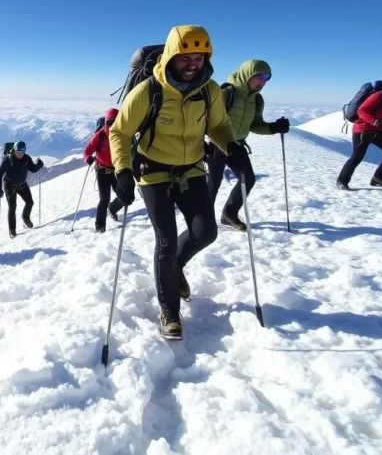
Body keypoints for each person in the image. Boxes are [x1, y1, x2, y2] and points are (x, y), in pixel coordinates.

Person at [109, 25, 244, 340]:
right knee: (166, 242)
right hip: (153, 172)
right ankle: (169, 310)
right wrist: (123, 171)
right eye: (186, 58)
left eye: (199, 57)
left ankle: (174, 270)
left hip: (192, 170)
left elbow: (219, 125)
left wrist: (231, 145)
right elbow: (120, 132)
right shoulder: (149, 91)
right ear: (171, 56)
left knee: (206, 232)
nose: (193, 64)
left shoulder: (209, 90)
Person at [206, 60, 290, 230]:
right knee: (213, 183)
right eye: (260, 76)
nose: (264, 82)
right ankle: (204, 221)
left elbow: (255, 124)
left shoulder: (257, 99)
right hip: (216, 145)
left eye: (267, 78)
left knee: (248, 179)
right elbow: (207, 121)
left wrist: (274, 127)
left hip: (238, 146)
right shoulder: (226, 93)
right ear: (247, 75)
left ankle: (228, 214)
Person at [83, 108, 125, 233]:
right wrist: (88, 158)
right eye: (109, 123)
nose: (112, 126)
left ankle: (112, 209)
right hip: (102, 171)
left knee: (124, 196)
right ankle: (100, 226)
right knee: (104, 199)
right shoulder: (99, 135)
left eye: (115, 122)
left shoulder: (122, 135)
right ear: (105, 122)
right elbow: (87, 152)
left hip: (117, 170)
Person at [0, 140, 45, 238]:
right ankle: (12, 231)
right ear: (14, 150)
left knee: (30, 202)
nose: (20, 154)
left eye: (22, 152)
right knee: (12, 208)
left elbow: (33, 169)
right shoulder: (7, 160)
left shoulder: (26, 158)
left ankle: (25, 218)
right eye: (18, 152)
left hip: (22, 184)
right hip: (10, 186)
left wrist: (39, 165)